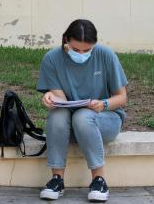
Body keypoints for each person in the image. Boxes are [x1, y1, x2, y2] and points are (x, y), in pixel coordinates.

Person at [37, 19, 127, 202]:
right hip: (68, 127)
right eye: (76, 50)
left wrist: (104, 104)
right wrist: (49, 98)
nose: (82, 54)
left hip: (104, 120)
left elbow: (122, 97)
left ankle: (99, 180)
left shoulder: (106, 55)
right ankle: (57, 179)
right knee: (58, 114)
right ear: (66, 40)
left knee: (83, 116)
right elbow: (61, 100)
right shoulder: (52, 59)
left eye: (87, 50)